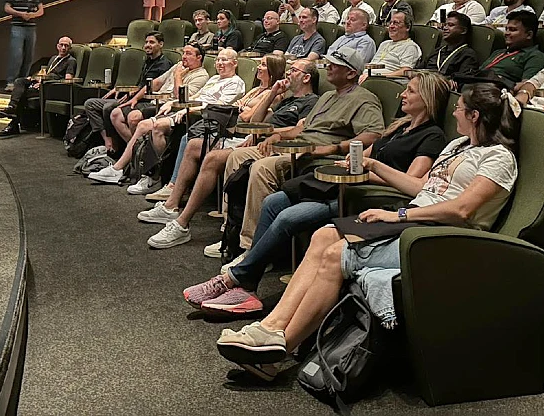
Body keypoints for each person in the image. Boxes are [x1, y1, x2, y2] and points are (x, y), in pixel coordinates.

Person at [212, 82, 520, 377]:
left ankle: (278, 350)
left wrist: (396, 215)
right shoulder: (458, 145)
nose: (454, 113)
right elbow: (423, 186)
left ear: (474, 116)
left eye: (460, 109)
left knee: (336, 254)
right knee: (323, 235)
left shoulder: (499, 158)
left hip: (439, 236)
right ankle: (270, 326)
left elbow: (461, 209)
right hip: (413, 218)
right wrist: (375, 167)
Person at [183, 72, 451, 315]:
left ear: (426, 98)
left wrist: (367, 170)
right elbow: (365, 156)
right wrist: (347, 163)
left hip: (371, 197)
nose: (402, 94)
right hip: (349, 184)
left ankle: (235, 279)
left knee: (288, 217)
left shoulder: (432, 136)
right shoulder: (399, 127)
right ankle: (248, 280)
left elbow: (412, 182)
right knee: (274, 201)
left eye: (411, 91)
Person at [145, 47, 385, 249]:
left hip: (313, 155)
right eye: (329, 62)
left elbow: (373, 133)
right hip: (293, 145)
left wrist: (333, 148)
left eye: (336, 64)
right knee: (235, 156)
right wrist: (273, 135)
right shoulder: (328, 97)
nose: (329, 67)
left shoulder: (364, 98)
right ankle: (227, 231)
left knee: (260, 168)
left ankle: (249, 245)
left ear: (352, 72)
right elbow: (300, 130)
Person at [138, 60, 319, 242]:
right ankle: (171, 206)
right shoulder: (285, 99)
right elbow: (254, 120)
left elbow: (299, 131)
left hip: (270, 146)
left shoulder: (311, 101)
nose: (288, 73)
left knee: (213, 158)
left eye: (294, 70)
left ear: (306, 77)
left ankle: (187, 224)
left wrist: (269, 133)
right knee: (193, 145)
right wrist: (272, 93)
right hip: (254, 140)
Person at [90, 46, 243, 188]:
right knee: (142, 124)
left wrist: (189, 109)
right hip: (185, 111)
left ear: (234, 63)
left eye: (225, 60)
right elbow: (194, 96)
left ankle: (148, 175)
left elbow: (218, 106)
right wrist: (174, 103)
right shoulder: (214, 79)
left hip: (201, 118)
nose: (220, 63)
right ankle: (136, 170)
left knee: (150, 125)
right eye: (218, 60)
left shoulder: (235, 83)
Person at [144, 55, 288, 203]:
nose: (258, 67)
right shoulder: (257, 89)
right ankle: (171, 184)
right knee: (186, 136)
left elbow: (247, 117)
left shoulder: (273, 94)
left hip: (238, 132)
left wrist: (241, 108)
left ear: (273, 69)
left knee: (187, 137)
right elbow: (237, 107)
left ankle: (174, 187)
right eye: (259, 64)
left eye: (263, 65)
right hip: (228, 125)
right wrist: (241, 108)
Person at [83, 32, 173, 154]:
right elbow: (139, 85)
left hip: (144, 100)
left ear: (161, 44)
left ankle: (127, 149)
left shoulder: (164, 65)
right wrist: (121, 89)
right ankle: (108, 141)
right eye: (146, 42)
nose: (147, 45)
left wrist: (132, 96)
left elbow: (151, 88)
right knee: (90, 104)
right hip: (131, 96)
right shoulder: (148, 61)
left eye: (151, 42)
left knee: (108, 108)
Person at [0, 36, 76, 137]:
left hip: (51, 87)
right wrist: (35, 78)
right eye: (61, 45)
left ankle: (13, 122)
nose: (63, 48)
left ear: (70, 48)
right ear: (57, 46)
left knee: (22, 94)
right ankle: (12, 108)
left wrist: (44, 82)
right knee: (19, 81)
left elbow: (67, 80)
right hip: (42, 83)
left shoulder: (71, 61)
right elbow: (46, 73)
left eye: (66, 45)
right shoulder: (53, 59)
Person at [475, 10, 544, 85]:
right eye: (506, 29)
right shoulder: (498, 52)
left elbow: (526, 86)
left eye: (513, 30)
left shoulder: (535, 56)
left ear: (529, 35)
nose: (506, 33)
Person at [3, 0, 44, 91]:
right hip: (18, 27)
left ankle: (23, 80)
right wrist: (20, 14)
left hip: (31, 28)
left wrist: (31, 15)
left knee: (29, 55)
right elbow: (7, 8)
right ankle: (11, 81)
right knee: (16, 55)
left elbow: (41, 10)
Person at [365, 11, 423, 80]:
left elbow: (406, 71)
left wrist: (376, 76)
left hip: (385, 81)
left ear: (407, 27)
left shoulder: (410, 46)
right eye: (390, 23)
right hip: (367, 76)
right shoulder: (384, 44)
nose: (391, 26)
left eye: (396, 23)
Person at [424, 11, 479, 77]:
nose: (445, 28)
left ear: (463, 31)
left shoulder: (467, 55)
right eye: (445, 25)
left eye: (450, 25)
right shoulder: (437, 51)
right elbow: (417, 70)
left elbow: (463, 80)